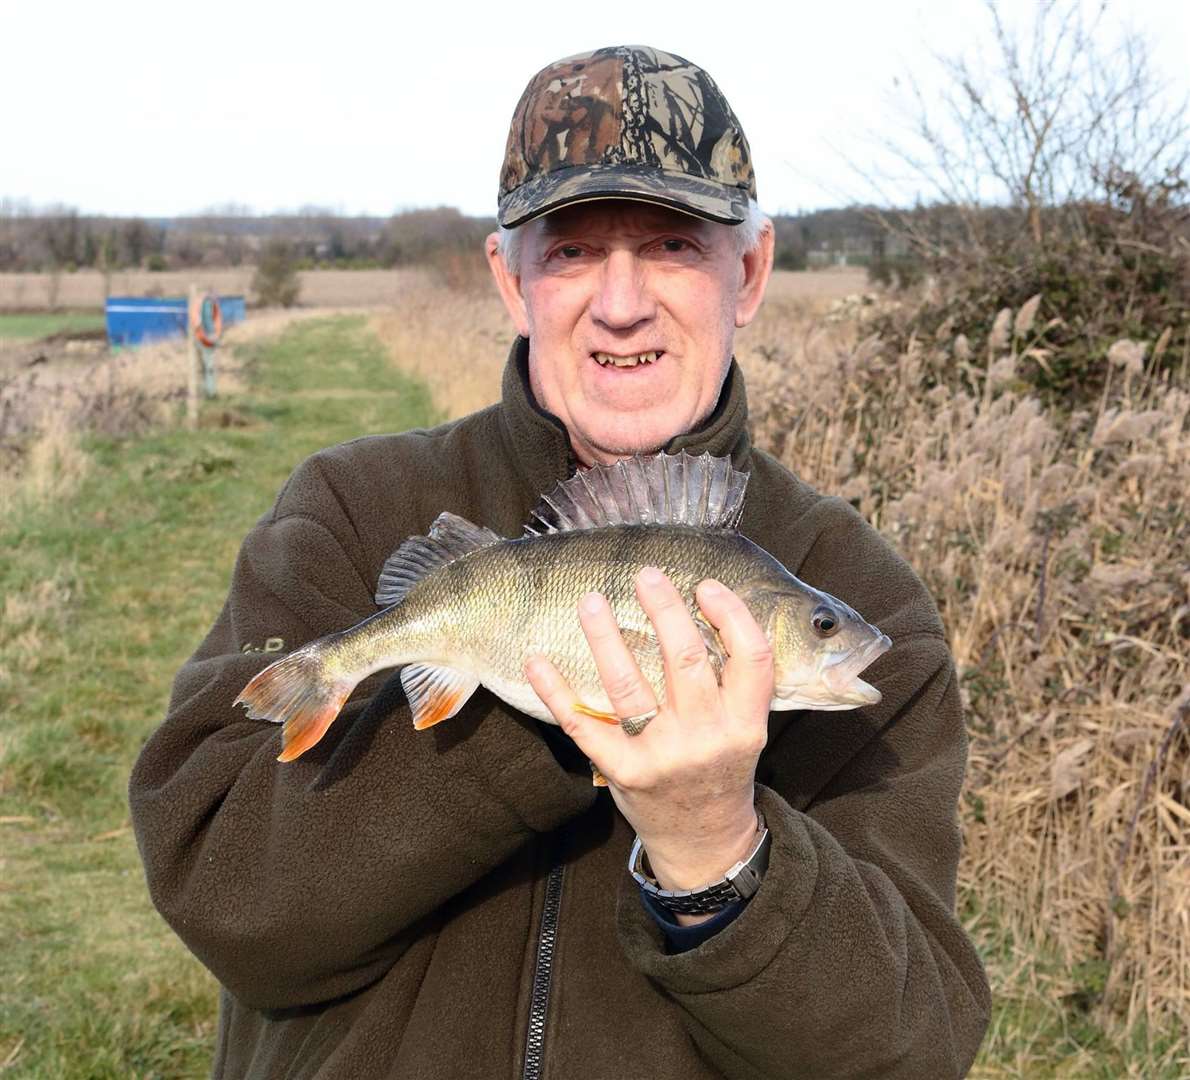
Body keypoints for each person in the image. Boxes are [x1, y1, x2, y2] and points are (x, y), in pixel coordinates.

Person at [130, 45, 990, 1079]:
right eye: (572, 251)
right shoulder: (349, 512)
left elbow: (908, 1047)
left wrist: (715, 852)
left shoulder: (852, 591)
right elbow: (222, 899)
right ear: (510, 277)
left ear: (750, 272)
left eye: (673, 244)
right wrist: (537, 719)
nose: (619, 304)